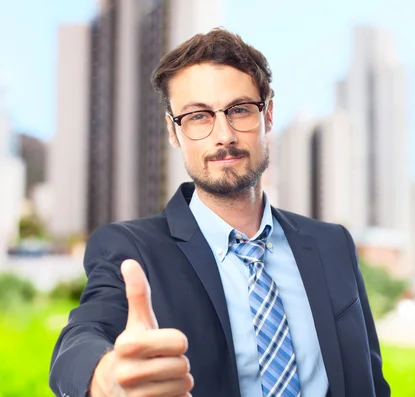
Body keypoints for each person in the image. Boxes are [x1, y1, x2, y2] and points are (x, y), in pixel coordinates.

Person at [49, 28, 390, 397]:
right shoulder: (130, 250)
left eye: (239, 110)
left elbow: (370, 379)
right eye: (198, 117)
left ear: (268, 115)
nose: (223, 135)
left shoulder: (333, 244)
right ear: (173, 131)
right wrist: (106, 376)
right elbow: (81, 337)